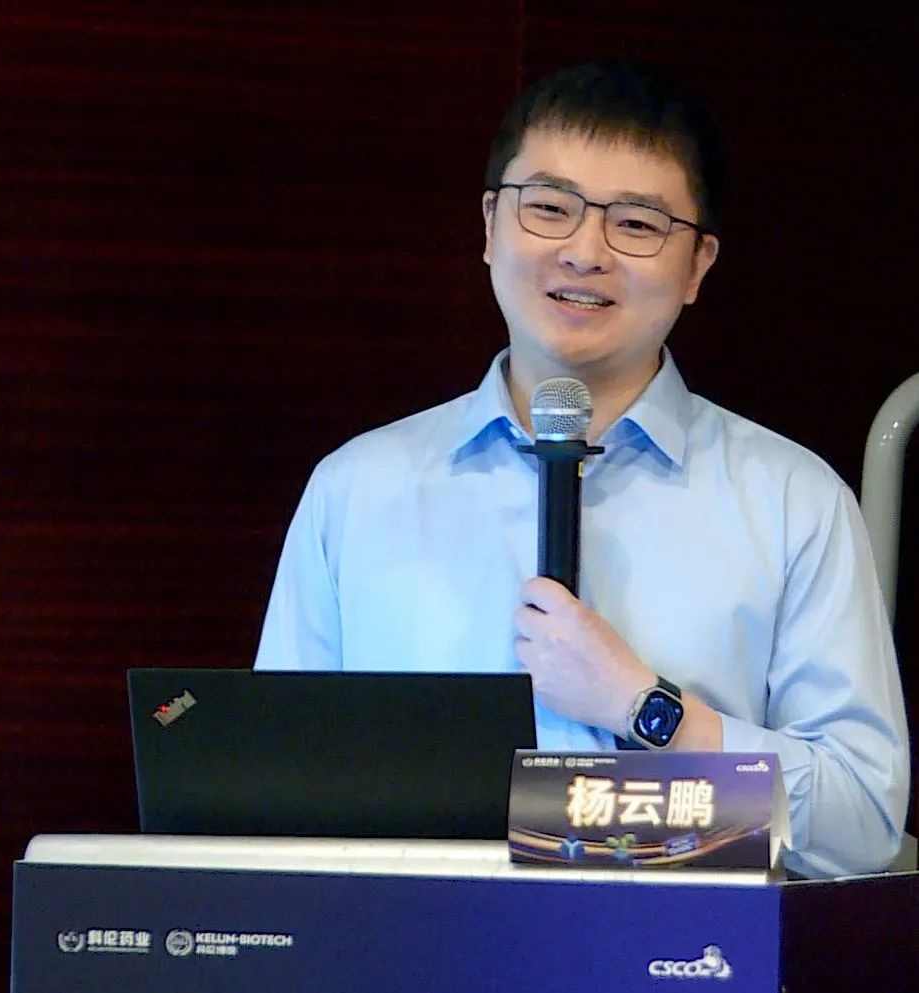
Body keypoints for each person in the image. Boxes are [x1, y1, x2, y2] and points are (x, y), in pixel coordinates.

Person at [255, 59, 909, 878]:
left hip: (685, 942)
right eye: (549, 208)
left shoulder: (792, 501)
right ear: (489, 224)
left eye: (635, 223)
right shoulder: (356, 491)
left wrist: (646, 709)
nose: (583, 252)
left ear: (697, 264)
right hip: (419, 936)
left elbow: (861, 825)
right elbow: (271, 798)